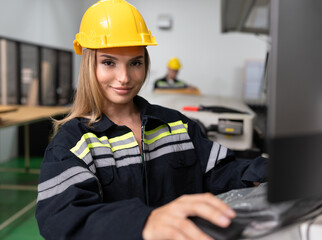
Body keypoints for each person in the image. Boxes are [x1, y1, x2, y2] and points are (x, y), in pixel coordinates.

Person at [35, 1, 266, 239]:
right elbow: (62, 217)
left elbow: (219, 171)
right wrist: (144, 222)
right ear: (88, 65)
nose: (124, 77)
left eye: (135, 62)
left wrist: (264, 170)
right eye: (108, 62)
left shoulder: (177, 125)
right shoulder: (73, 144)